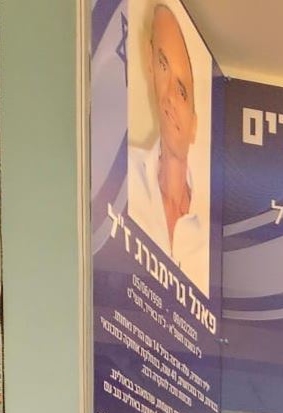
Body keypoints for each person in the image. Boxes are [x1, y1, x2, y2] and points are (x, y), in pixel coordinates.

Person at [126, 3, 206, 286]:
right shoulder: (124, 179)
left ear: (194, 125)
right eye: (163, 66)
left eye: (182, 92)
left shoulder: (210, 231)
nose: (170, 96)